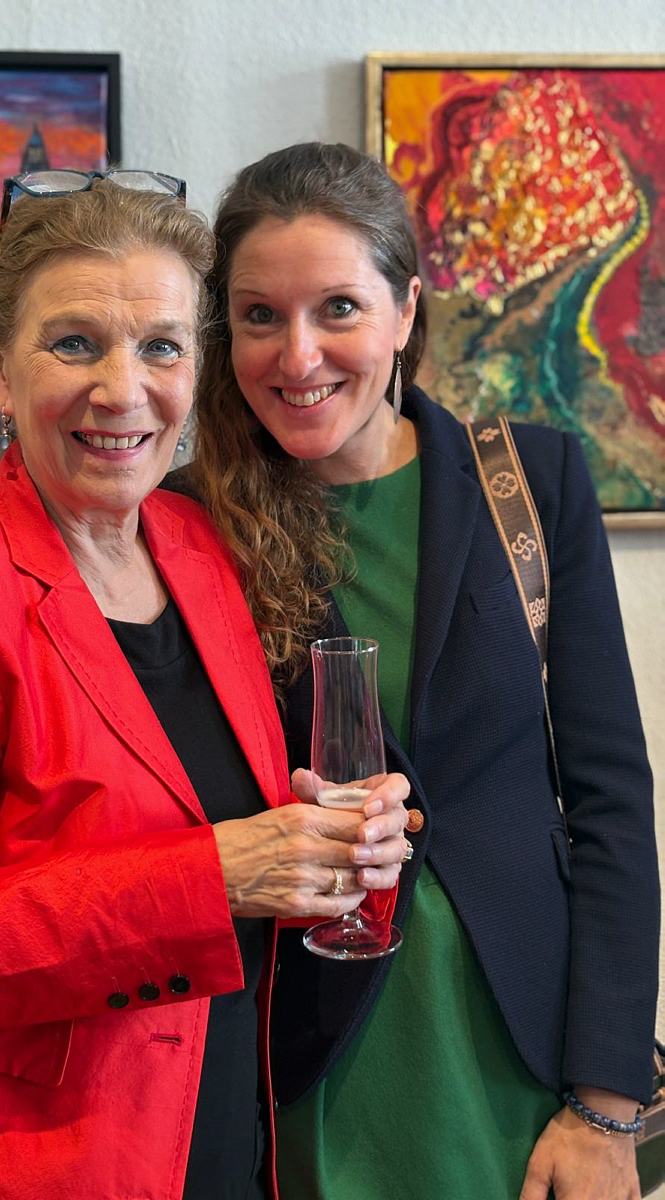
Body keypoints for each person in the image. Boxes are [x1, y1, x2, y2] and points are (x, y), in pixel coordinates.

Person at [0, 170, 412, 1200]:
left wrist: (332, 851)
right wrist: (216, 876)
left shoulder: (202, 548)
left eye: (161, 346)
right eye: (75, 343)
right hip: (22, 1170)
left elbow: (241, 852)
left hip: (225, 1151)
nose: (123, 389)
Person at [185, 143, 658, 1200]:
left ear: (404, 311)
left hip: (517, 1065)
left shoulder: (532, 483)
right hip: (296, 1067)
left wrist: (607, 1107)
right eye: (259, 316)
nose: (297, 353)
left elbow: (611, 805)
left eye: (339, 309)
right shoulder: (182, 524)